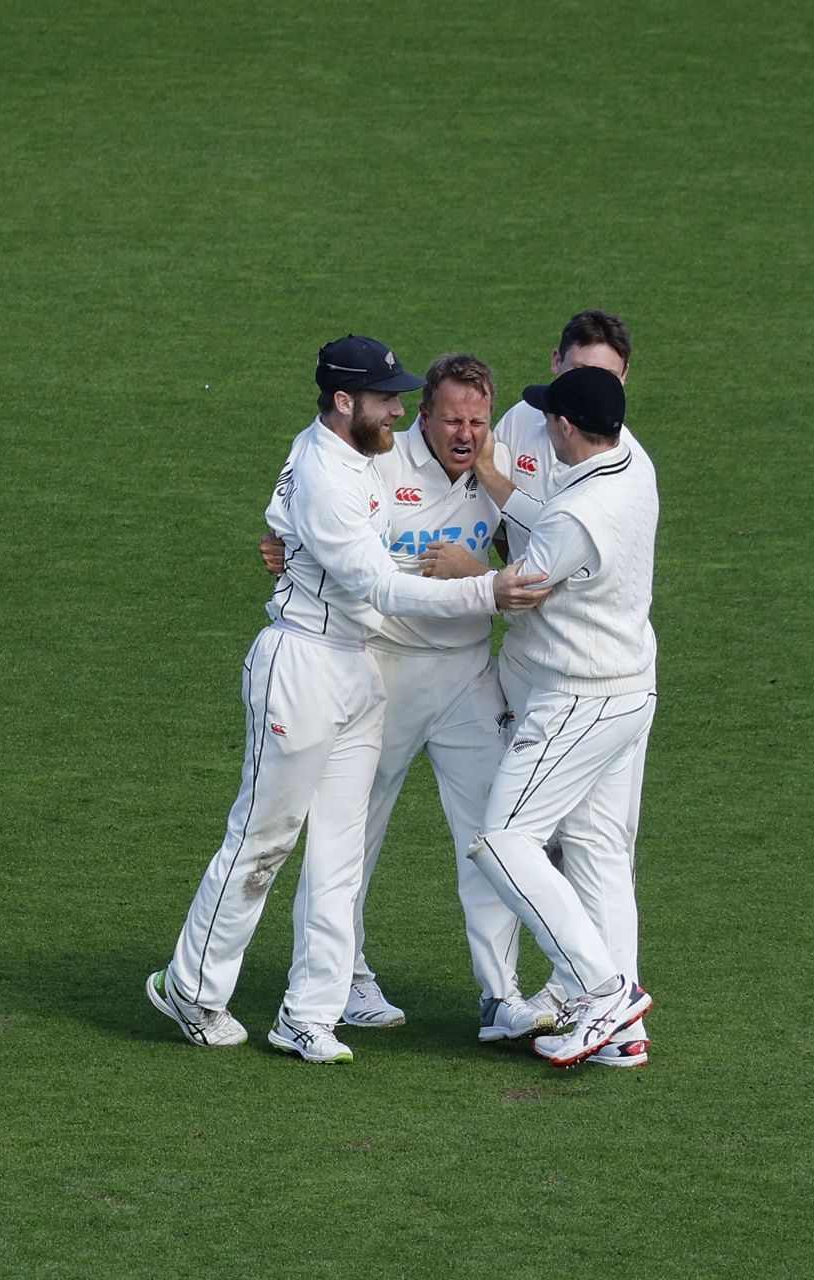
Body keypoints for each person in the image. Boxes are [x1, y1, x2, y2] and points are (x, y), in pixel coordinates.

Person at [148, 335, 550, 1065]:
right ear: (344, 401)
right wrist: (486, 588)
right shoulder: (326, 473)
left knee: (339, 847)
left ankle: (310, 1012)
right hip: (302, 662)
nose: (396, 411)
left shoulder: (355, 458)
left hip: (359, 671)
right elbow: (377, 585)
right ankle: (191, 986)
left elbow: (310, 539)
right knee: (263, 839)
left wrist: (285, 543)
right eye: (386, 399)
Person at [261, 354, 552, 1041]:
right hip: (383, 669)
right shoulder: (379, 460)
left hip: (466, 675)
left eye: (477, 420)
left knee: (490, 835)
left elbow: (544, 554)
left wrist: (481, 560)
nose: (465, 431)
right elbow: (313, 519)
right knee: (349, 837)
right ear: (423, 415)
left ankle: (500, 996)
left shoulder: (498, 466)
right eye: (451, 417)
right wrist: (284, 545)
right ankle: (348, 980)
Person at [452, 365, 659, 1068]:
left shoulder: (578, 514)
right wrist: (498, 482)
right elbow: (552, 529)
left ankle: (604, 992)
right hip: (631, 691)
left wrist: (461, 572)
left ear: (568, 428)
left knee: (505, 839)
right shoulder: (633, 461)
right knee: (599, 853)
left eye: (549, 420)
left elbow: (523, 590)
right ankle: (623, 1033)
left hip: (578, 699)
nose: (542, 427)